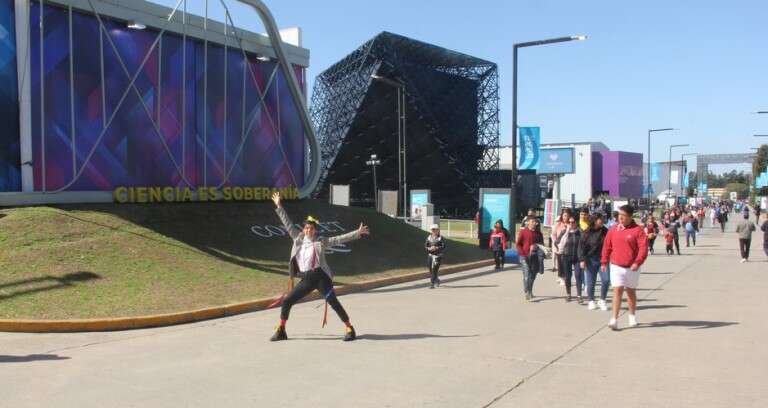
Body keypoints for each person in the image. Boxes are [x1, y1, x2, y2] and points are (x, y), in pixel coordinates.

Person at [269, 192, 370, 342]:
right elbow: (287, 223)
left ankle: (349, 328)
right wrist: (279, 205)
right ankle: (282, 330)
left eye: (311, 228)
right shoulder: (298, 239)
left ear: (315, 230)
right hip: (306, 279)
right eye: (306, 228)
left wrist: (357, 233)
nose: (308, 230)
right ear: (303, 229)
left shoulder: (320, 241)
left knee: (333, 302)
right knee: (287, 301)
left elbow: (338, 239)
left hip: (320, 277)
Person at [601, 205, 648, 330]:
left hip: (632, 267)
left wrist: (637, 262)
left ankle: (632, 315)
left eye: (623, 215)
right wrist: (604, 261)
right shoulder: (613, 229)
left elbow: (643, 249)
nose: (620, 217)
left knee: (630, 291)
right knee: (617, 291)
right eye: (619, 215)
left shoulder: (638, 230)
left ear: (630, 216)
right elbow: (607, 246)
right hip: (616, 266)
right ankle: (614, 319)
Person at [578, 214, 609, 311]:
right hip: (590, 260)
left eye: (603, 219)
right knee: (591, 282)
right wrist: (582, 259)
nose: (602, 221)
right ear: (595, 220)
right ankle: (591, 301)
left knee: (606, 280)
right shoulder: (587, 232)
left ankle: (602, 300)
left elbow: (610, 244)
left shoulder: (605, 231)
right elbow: (581, 247)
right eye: (600, 219)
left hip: (603, 260)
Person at [517, 217, 544, 301]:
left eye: (535, 222)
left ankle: (530, 290)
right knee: (527, 274)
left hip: (535, 257)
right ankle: (526, 292)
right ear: (527, 223)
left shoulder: (539, 233)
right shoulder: (523, 232)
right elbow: (518, 244)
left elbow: (541, 245)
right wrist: (523, 254)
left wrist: (536, 246)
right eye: (532, 221)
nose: (534, 223)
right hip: (524, 256)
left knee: (532, 275)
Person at [557, 216, 583, 303]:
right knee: (568, 277)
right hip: (566, 257)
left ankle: (579, 296)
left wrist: (583, 257)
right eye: (569, 222)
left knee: (578, 275)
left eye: (573, 222)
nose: (571, 224)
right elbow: (556, 242)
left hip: (577, 258)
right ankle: (568, 294)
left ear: (576, 223)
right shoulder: (564, 232)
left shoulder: (580, 232)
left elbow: (584, 244)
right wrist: (561, 248)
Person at [551, 209, 573, 284]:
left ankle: (565, 277)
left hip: (568, 248)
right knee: (560, 263)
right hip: (559, 247)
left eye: (566, 215)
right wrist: (555, 243)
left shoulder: (571, 225)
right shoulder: (558, 224)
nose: (565, 217)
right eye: (564, 215)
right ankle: (561, 277)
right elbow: (554, 235)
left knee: (566, 264)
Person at [425, 224, 446, 289]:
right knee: (430, 270)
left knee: (434, 270)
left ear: (438, 230)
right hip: (430, 255)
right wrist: (429, 248)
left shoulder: (441, 238)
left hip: (438, 256)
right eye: (432, 229)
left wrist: (436, 248)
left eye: (435, 229)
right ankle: (437, 280)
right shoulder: (429, 237)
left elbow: (443, 246)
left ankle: (432, 284)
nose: (434, 231)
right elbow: (426, 245)